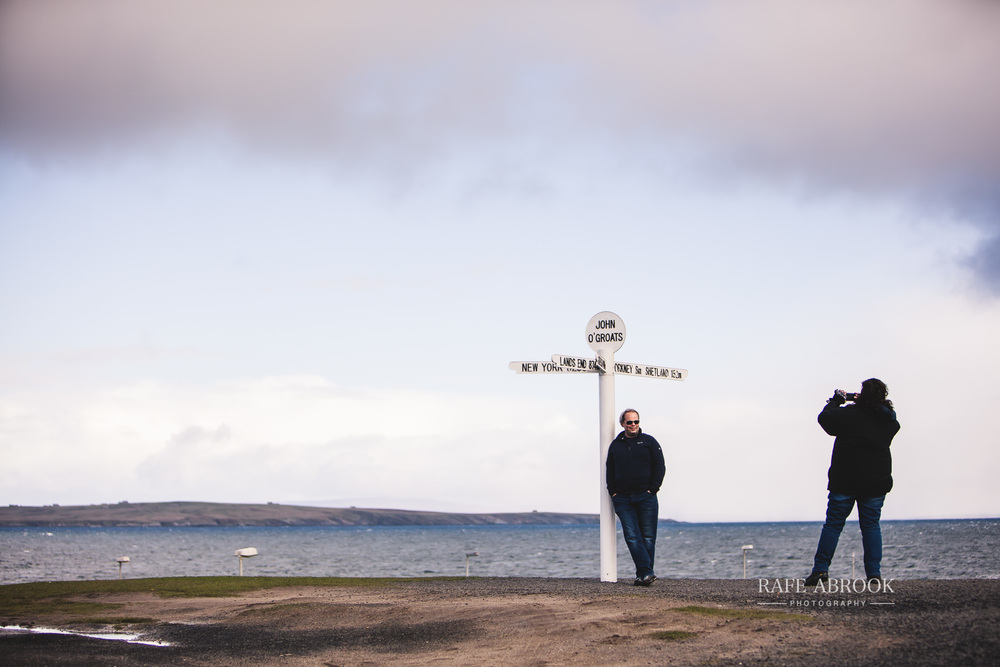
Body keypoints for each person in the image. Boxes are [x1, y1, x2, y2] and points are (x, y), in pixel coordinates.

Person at [805, 378, 900, 586]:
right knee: (871, 526)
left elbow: (825, 419)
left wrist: (837, 400)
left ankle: (821, 571)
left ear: (862, 394)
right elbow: (890, 421)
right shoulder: (889, 421)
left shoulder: (849, 415)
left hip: (845, 480)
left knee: (833, 525)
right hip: (875, 482)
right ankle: (874, 574)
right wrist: (873, 405)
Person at [606, 408, 666, 586]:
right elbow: (610, 469)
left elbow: (660, 466)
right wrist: (613, 492)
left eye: (636, 421)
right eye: (629, 422)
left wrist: (652, 489)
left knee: (648, 537)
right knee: (632, 536)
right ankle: (647, 573)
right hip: (623, 499)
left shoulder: (649, 442)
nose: (633, 425)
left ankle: (644, 574)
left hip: (646, 497)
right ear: (623, 423)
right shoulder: (616, 445)